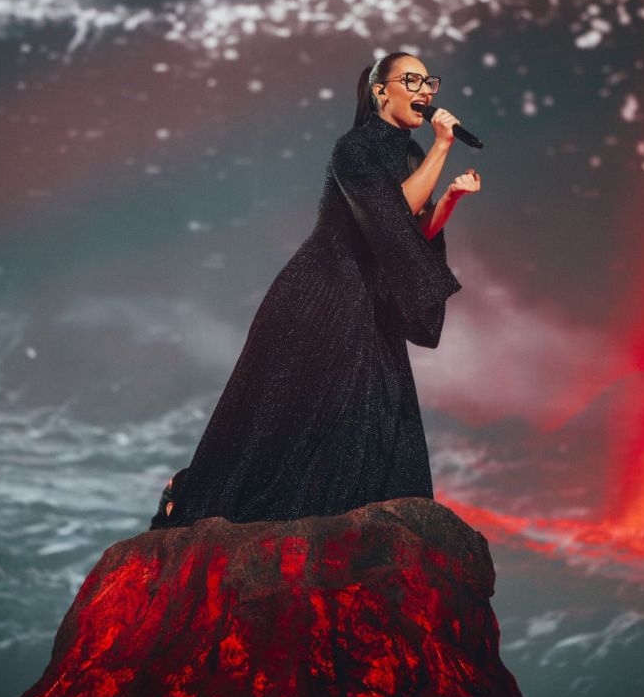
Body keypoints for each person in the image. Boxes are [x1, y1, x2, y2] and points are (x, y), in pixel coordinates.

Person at [150, 51, 480, 530]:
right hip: (320, 296)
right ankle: (191, 495)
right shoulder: (354, 150)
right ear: (380, 91)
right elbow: (390, 213)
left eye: (429, 82)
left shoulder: (410, 153)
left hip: (369, 302)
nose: (425, 91)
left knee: (378, 421)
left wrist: (449, 196)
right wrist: (443, 146)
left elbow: (411, 230)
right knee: (289, 424)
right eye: (412, 80)